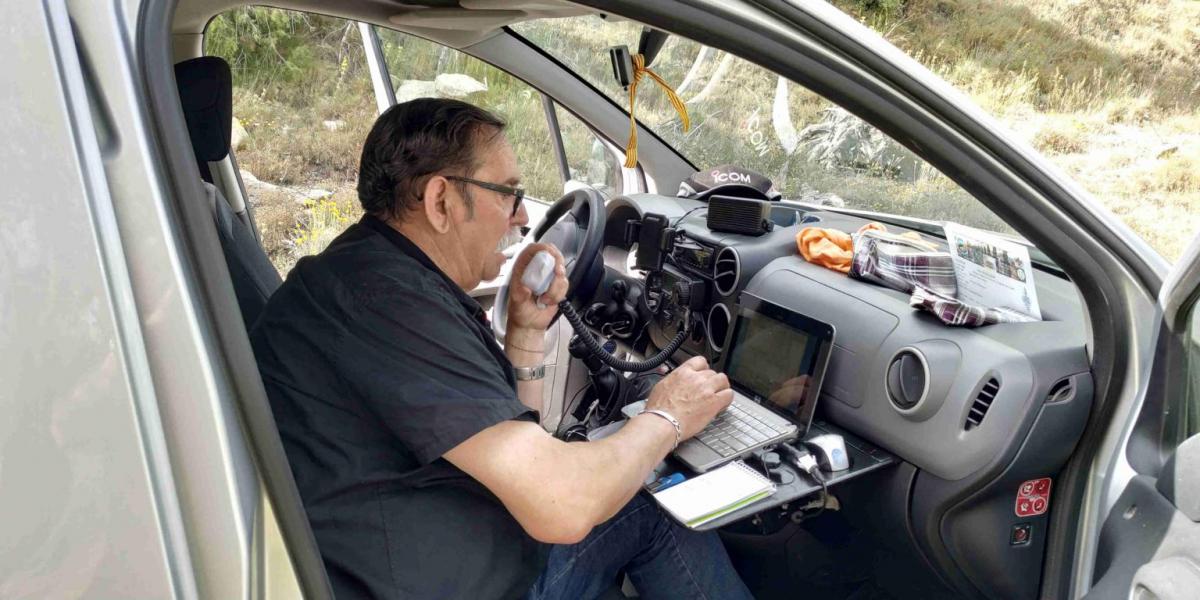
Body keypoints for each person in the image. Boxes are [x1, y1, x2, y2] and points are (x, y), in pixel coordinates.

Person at [250, 98, 752, 600]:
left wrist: (527, 335)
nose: (522, 217)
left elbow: (504, 437)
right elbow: (564, 507)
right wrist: (667, 417)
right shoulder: (388, 306)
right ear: (441, 201)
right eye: (509, 194)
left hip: (433, 548)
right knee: (653, 507)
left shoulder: (366, 275)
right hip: (460, 582)